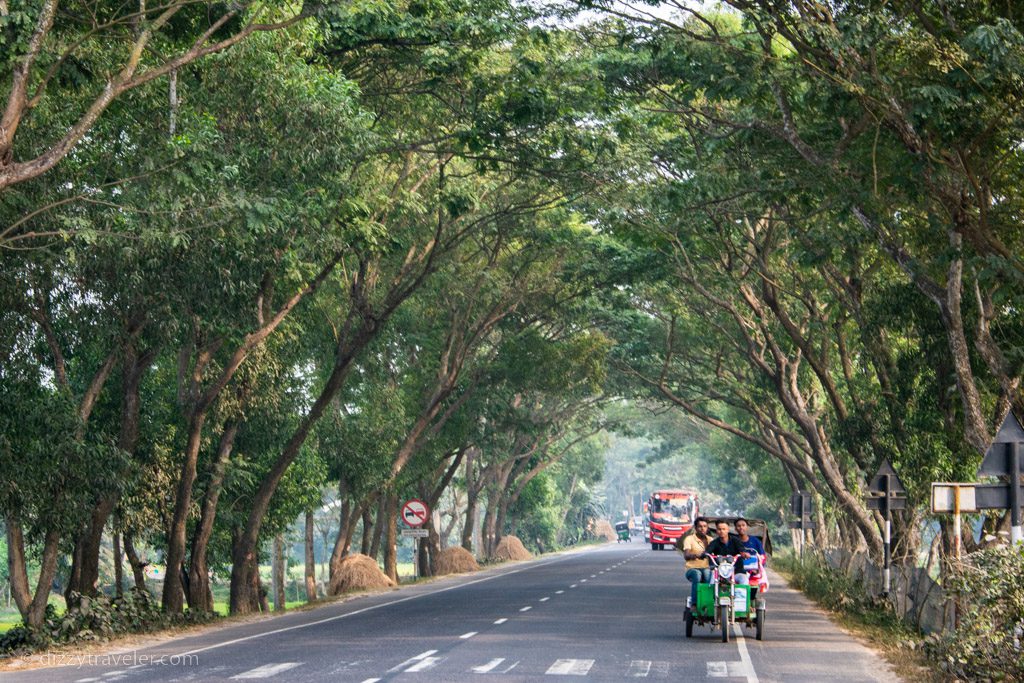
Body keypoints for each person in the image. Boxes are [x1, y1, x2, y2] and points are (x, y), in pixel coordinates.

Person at [677, 517, 711, 609]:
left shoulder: (711, 540)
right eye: (700, 526)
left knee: (708, 574)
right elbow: (686, 555)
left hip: (708, 568)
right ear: (695, 528)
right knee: (697, 574)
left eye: (704, 526)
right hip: (692, 569)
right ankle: (694, 603)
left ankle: (709, 601)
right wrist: (696, 555)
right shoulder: (689, 539)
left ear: (707, 528)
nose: (702, 528)